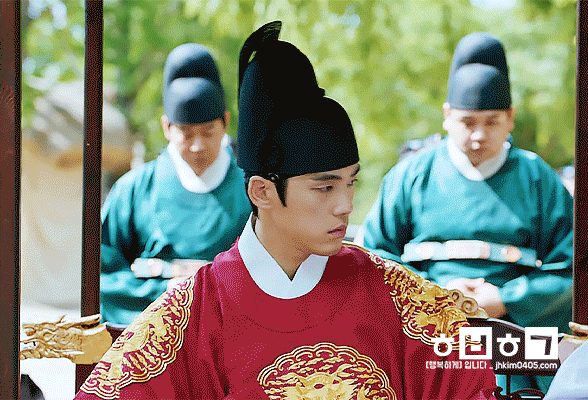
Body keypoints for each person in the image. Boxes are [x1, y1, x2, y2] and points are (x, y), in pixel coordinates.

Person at [75, 22, 498, 400]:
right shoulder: (192, 312)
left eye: (350, 182)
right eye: (324, 187)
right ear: (261, 191)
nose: (345, 206)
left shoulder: (404, 301)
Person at [361, 32, 573, 393]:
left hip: (514, 341)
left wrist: (504, 299)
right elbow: (373, 258)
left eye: (491, 121)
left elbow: (570, 269)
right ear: (447, 116)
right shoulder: (411, 175)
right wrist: (436, 294)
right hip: (425, 335)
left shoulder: (537, 177)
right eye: (467, 122)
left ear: (510, 118)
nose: (478, 136)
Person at [100, 43, 251, 325]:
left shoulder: (254, 188)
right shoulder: (134, 189)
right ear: (167, 127)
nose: (198, 146)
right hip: (154, 332)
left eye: (208, 131)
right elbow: (101, 276)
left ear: (226, 122)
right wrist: (164, 294)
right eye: (186, 133)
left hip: (236, 330)